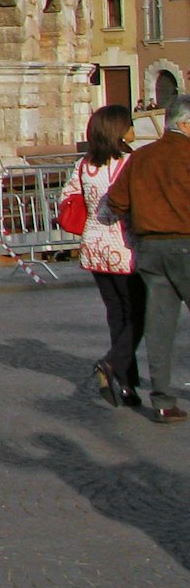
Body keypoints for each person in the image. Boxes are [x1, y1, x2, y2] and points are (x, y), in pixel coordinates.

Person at [107, 86, 190, 423]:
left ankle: (162, 400)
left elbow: (116, 202)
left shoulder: (140, 157)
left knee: (160, 327)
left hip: (150, 249)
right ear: (186, 125)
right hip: (186, 243)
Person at [73, 105, 139, 405]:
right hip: (123, 246)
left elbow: (68, 199)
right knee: (137, 315)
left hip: (93, 244)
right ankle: (112, 363)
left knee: (116, 314)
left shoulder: (84, 165)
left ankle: (127, 384)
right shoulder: (127, 163)